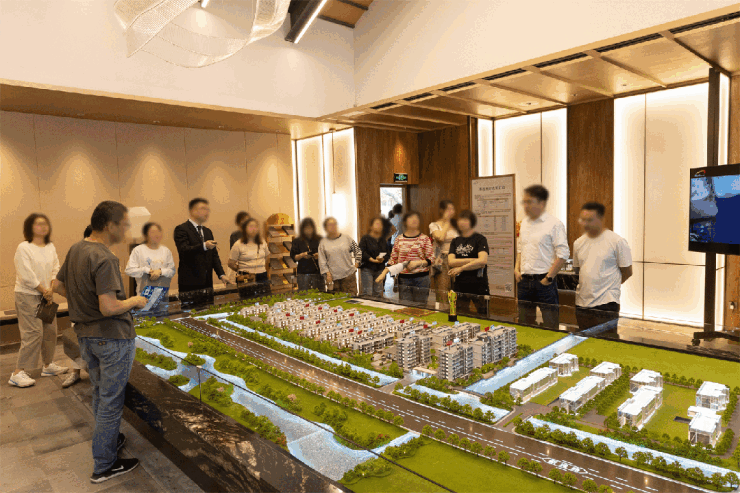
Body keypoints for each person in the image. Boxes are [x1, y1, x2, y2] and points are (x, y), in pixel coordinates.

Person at [53, 201, 148, 483]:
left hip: (86, 336)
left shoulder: (76, 249)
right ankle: (104, 464)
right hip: (112, 338)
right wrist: (134, 300)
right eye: (124, 224)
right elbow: (109, 307)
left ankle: (109, 440)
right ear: (109, 225)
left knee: (99, 393)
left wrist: (83, 302)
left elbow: (57, 286)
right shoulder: (105, 257)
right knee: (111, 402)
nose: (127, 230)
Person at [9, 213, 68, 388]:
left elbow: (56, 268)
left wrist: (50, 289)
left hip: (46, 294)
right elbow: (26, 274)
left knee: (50, 330)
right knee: (33, 333)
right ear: (30, 227)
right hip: (28, 295)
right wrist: (43, 290)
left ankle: (48, 365)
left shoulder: (50, 246)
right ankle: (18, 372)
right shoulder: (23, 247)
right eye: (38, 224)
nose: (43, 227)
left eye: (45, 223)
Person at [515, 185, 569, 329]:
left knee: (551, 326)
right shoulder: (524, 223)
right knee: (524, 325)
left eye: (529, 202)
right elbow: (520, 249)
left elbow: (563, 254)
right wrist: (516, 269)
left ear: (541, 203)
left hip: (544, 282)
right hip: (524, 282)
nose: (525, 205)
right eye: (524, 202)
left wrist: (549, 278)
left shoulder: (554, 224)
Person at [573, 202, 633, 330]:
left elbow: (627, 272)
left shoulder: (617, 241)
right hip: (582, 303)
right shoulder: (578, 243)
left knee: (606, 340)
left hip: (606, 303)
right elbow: (578, 271)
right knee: (583, 340)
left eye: (590, 220)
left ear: (601, 219)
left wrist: (610, 285)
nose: (585, 224)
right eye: (583, 220)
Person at [174, 198, 230, 296]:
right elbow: (184, 250)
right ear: (193, 211)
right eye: (203, 209)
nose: (207, 212)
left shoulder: (207, 231)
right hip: (190, 283)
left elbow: (214, 256)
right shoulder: (181, 229)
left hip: (207, 282)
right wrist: (204, 246)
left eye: (208, 209)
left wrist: (221, 275)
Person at [61, 225, 93, 389]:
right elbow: (58, 284)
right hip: (83, 311)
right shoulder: (76, 255)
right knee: (79, 342)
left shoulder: (106, 254)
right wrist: (76, 299)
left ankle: (96, 377)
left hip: (97, 312)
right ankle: (76, 372)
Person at [384, 211, 435, 304]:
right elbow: (393, 258)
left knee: (420, 307)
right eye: (411, 218)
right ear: (405, 222)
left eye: (416, 218)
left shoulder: (425, 238)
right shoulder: (399, 239)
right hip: (403, 279)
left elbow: (431, 259)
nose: (414, 220)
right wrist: (385, 272)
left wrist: (418, 263)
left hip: (422, 278)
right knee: (405, 307)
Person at [448, 210, 490, 316]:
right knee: (460, 315)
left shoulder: (480, 239)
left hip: (478, 284)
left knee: (483, 315)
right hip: (460, 285)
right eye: (460, 220)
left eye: (465, 220)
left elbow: (483, 261)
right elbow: (451, 262)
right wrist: (473, 260)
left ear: (472, 222)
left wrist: (461, 268)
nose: (461, 222)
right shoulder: (455, 241)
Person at [124, 222, 176, 295]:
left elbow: (172, 271)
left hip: (162, 294)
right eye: (153, 232)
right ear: (146, 235)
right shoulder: (138, 250)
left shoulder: (166, 251)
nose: (156, 235)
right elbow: (129, 270)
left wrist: (160, 271)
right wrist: (147, 270)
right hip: (144, 294)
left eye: (158, 232)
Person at [318, 217, 362, 296]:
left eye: (334, 224)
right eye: (330, 225)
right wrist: (327, 274)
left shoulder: (347, 238)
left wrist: (356, 266)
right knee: (336, 301)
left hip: (349, 277)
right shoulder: (323, 243)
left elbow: (358, 251)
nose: (333, 227)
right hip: (334, 279)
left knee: (352, 300)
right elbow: (322, 261)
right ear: (325, 228)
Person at [228, 218, 269, 298]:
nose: (253, 229)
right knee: (248, 300)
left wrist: (260, 266)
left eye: (256, 226)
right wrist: (242, 269)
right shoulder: (238, 244)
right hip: (246, 277)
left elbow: (267, 256)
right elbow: (231, 263)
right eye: (251, 226)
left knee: (265, 300)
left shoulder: (262, 241)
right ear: (244, 229)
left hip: (262, 276)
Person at [429, 200, 458, 302]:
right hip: (442, 260)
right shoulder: (434, 225)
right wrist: (447, 222)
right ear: (442, 210)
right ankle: (443, 311)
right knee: (443, 292)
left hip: (457, 259)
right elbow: (440, 238)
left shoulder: (456, 225)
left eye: (452, 209)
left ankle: (455, 311)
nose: (451, 211)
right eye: (448, 209)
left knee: (457, 292)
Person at [290, 218, 324, 291]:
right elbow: (293, 257)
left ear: (313, 228)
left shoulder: (319, 239)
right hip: (303, 273)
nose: (308, 230)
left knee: (320, 294)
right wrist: (301, 255)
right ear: (302, 229)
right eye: (306, 228)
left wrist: (318, 255)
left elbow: (326, 254)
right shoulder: (297, 241)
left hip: (318, 272)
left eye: (310, 227)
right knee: (304, 294)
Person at [359, 217, 389, 298]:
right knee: (367, 293)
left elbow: (388, 254)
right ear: (371, 226)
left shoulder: (383, 240)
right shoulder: (365, 238)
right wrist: (372, 259)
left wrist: (383, 259)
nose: (379, 226)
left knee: (378, 294)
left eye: (381, 224)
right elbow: (361, 252)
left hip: (380, 269)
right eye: (377, 224)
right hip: (367, 269)